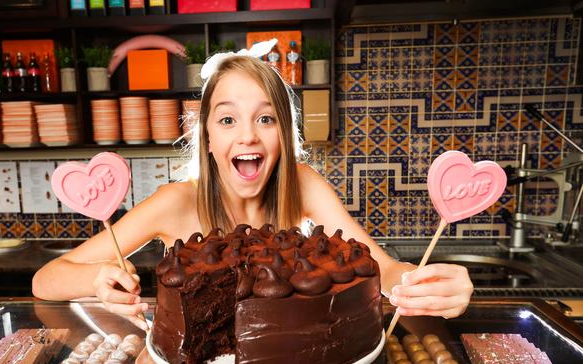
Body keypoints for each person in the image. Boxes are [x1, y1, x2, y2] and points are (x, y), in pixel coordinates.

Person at [32, 41, 473, 331]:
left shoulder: (304, 184)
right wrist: (98, 278)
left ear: (285, 134)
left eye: (266, 119)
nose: (247, 136)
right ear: (207, 138)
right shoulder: (175, 203)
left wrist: (420, 281)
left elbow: (379, 267)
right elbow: (47, 279)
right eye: (227, 119)